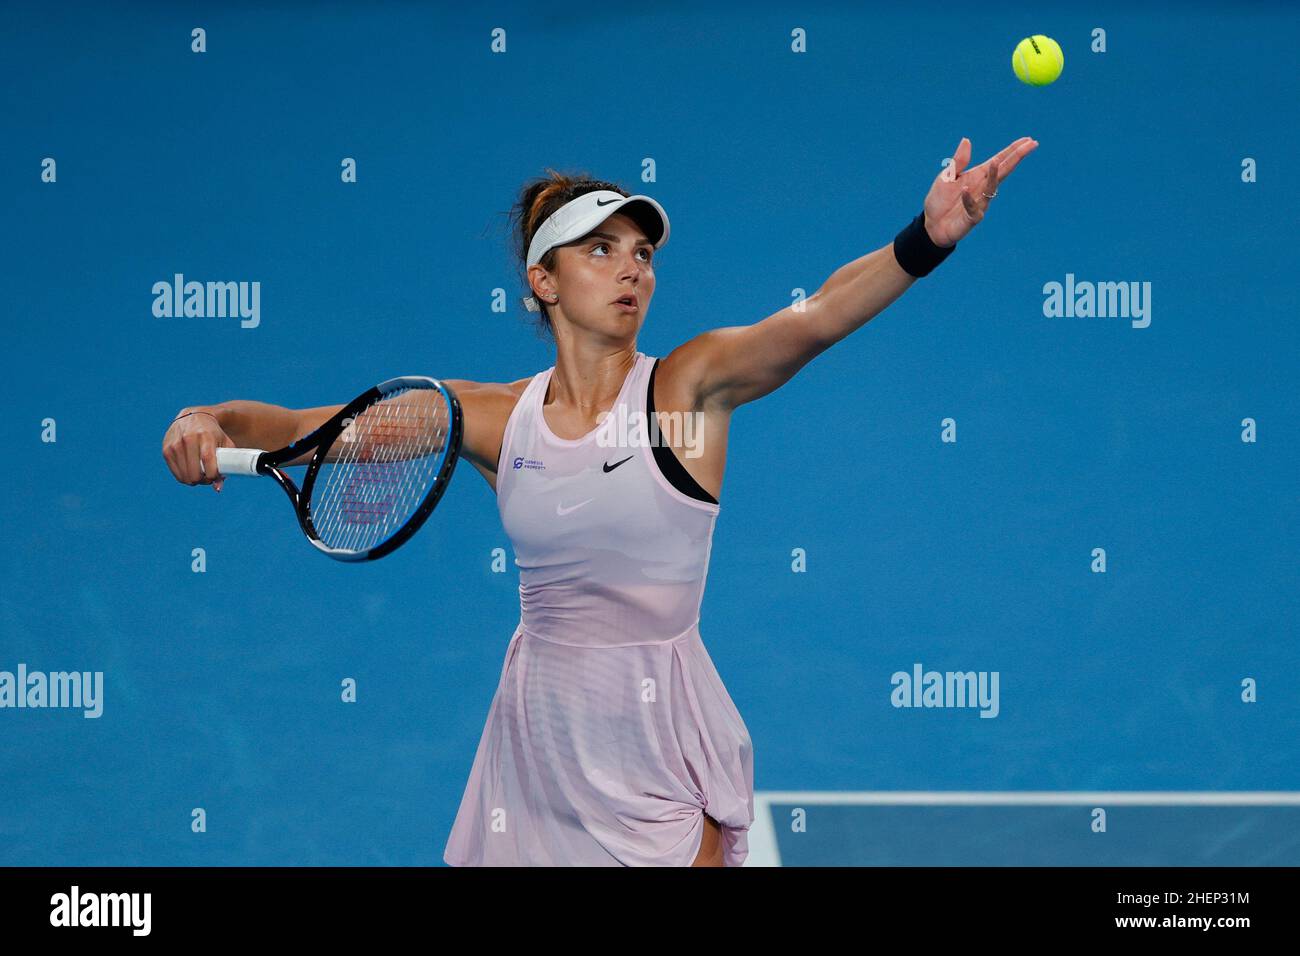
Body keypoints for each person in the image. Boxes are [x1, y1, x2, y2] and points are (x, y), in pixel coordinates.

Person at [161, 137, 1038, 865]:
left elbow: (814, 319)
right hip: (536, 746)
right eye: (601, 250)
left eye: (643, 253)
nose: (633, 271)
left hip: (659, 743)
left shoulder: (687, 393)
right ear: (544, 282)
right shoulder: (498, 419)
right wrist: (208, 418)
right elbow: (310, 427)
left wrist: (925, 240)